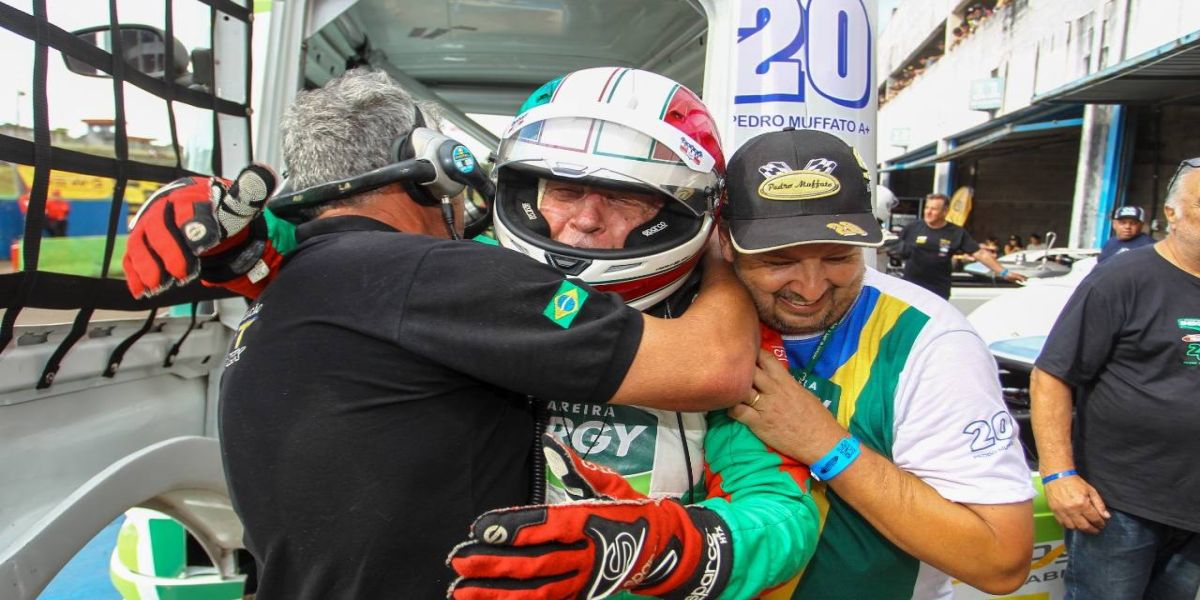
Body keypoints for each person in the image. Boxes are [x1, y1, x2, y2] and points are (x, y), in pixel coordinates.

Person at [123, 68, 816, 599]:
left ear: (679, 207)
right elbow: (361, 258)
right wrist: (254, 233)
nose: (582, 220)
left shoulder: (715, 329)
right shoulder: (468, 275)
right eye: (561, 189)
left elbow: (783, 515)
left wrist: (657, 545)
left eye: (624, 195)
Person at [717, 129, 1035, 599]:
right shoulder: (692, 303)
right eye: (777, 260)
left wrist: (825, 444)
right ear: (725, 242)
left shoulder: (931, 341)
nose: (809, 286)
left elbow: (1000, 560)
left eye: (838, 256)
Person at [1029, 157, 1200, 600]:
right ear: (1171, 213)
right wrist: (1058, 473)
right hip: (1118, 507)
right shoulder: (1123, 279)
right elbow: (1051, 375)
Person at [893, 193, 1026, 298]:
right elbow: (893, 247)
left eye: (933, 209)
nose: (928, 212)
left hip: (938, 291)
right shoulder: (912, 228)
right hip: (911, 289)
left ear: (945, 211)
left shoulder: (956, 232)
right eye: (927, 208)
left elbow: (979, 254)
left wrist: (1004, 272)